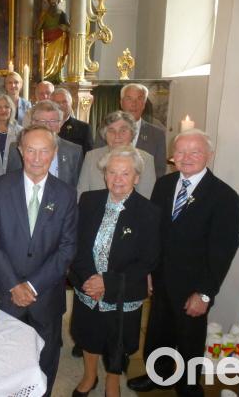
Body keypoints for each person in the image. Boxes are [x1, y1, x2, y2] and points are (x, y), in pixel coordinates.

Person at [127, 129, 239, 397]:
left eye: (195, 152)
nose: (186, 157)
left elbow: (223, 251)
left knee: (190, 337)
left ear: (209, 156)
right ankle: (160, 375)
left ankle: (189, 384)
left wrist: (205, 293)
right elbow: (154, 233)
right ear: (172, 156)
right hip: (162, 277)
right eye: (180, 152)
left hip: (194, 285)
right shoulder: (164, 185)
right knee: (158, 331)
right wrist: (149, 271)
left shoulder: (224, 196)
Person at [0, 125, 78, 396]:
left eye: (44, 151)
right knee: (2, 361)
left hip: (45, 297)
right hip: (5, 293)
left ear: (54, 153)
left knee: (45, 362)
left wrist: (32, 286)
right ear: (20, 151)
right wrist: (15, 285)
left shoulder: (66, 194)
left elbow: (67, 248)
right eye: (31, 150)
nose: (37, 158)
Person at [69, 146, 160, 397]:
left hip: (123, 291)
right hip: (87, 284)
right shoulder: (88, 200)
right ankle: (89, 376)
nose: (118, 179)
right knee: (89, 333)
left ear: (136, 177)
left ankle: (112, 380)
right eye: (112, 172)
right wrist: (89, 280)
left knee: (117, 340)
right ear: (104, 174)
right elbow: (75, 244)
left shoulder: (149, 212)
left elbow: (147, 260)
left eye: (125, 174)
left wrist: (106, 282)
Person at [77, 111, 156, 199]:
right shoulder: (91, 157)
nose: (117, 136)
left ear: (132, 133)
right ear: (104, 135)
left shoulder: (146, 159)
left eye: (123, 130)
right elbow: (81, 194)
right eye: (111, 131)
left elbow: (146, 198)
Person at [6, 100, 83, 188]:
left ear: (60, 124)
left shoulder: (74, 151)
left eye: (53, 121)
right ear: (33, 123)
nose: (47, 126)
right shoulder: (16, 148)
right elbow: (10, 182)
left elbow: (76, 187)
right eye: (42, 121)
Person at [96, 83, 167, 179]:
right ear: (121, 103)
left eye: (139, 99)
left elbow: (159, 172)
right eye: (129, 98)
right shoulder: (106, 130)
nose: (134, 104)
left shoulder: (157, 134)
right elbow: (96, 162)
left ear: (144, 104)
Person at [34, 0, 69, 83]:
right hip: (46, 39)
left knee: (57, 58)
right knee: (45, 58)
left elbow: (67, 26)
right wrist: (38, 37)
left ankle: (55, 77)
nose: (53, 1)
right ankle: (44, 76)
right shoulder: (45, 14)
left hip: (58, 39)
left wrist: (64, 28)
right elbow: (39, 27)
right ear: (49, 1)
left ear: (58, 1)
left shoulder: (62, 14)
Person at [52, 88, 92, 157]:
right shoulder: (44, 125)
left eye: (64, 102)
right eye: (57, 103)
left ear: (71, 104)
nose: (61, 105)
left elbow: (89, 156)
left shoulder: (83, 128)